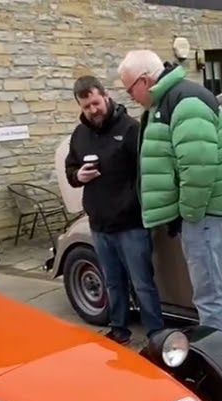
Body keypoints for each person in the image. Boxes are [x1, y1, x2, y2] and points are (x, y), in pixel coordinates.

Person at [118, 49, 222, 334]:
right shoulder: (174, 99)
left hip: (205, 214)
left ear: (145, 80)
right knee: (213, 290)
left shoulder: (184, 101)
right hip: (206, 211)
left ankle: (217, 363)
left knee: (208, 294)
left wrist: (188, 214)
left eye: (130, 90)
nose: (131, 97)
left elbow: (199, 169)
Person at [62, 74, 164, 345]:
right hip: (99, 223)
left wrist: (135, 203)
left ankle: (156, 333)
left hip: (130, 223)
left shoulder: (130, 128)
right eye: (86, 107)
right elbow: (70, 167)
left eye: (96, 103)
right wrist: (77, 176)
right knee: (113, 282)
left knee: (142, 283)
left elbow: (146, 173)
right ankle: (119, 330)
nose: (93, 110)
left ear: (105, 96)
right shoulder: (79, 134)